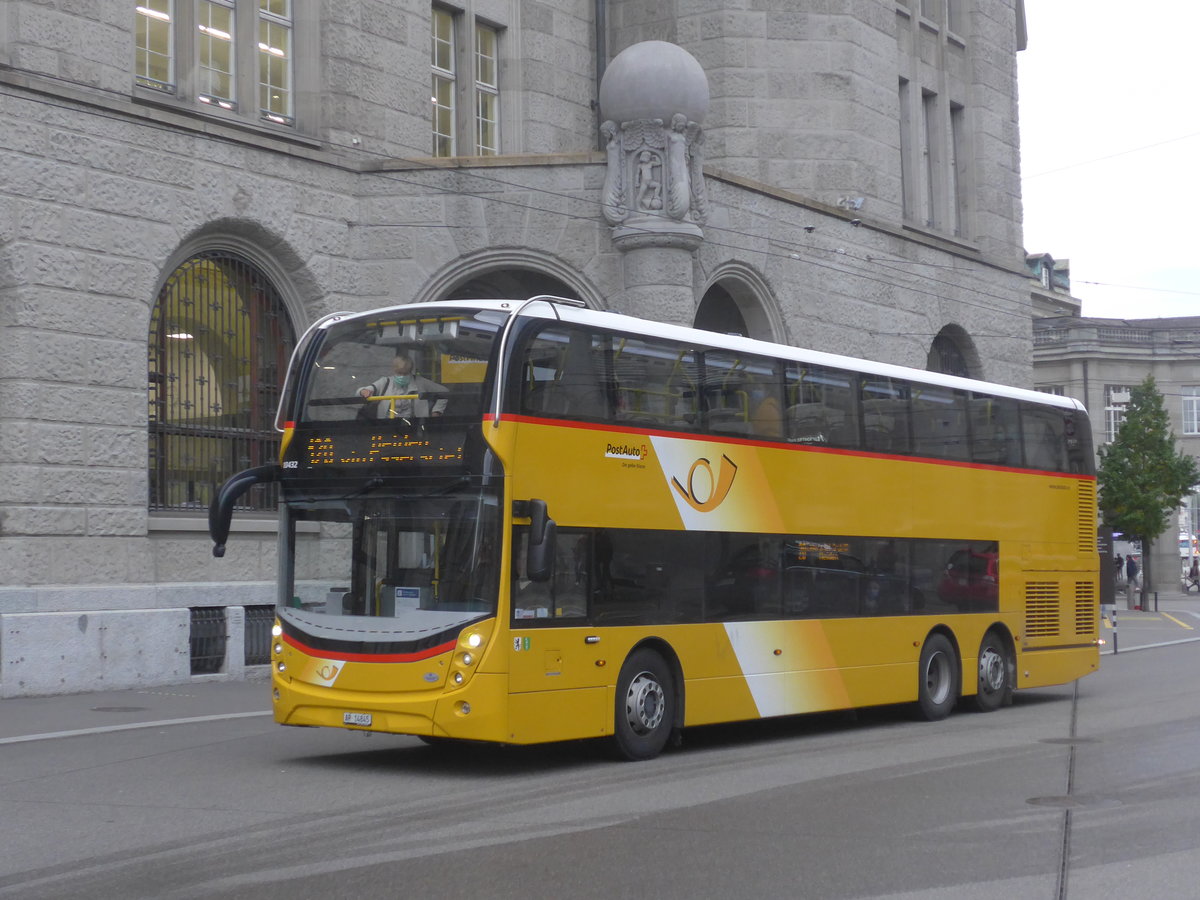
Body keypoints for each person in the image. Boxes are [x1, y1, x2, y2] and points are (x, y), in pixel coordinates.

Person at [358, 354, 448, 420]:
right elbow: (364, 390)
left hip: (414, 428)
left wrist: (436, 411)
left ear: (410, 371)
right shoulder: (385, 382)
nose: (402, 376)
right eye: (399, 373)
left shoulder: (420, 382)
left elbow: (444, 392)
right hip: (387, 427)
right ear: (394, 370)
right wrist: (364, 391)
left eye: (405, 373)